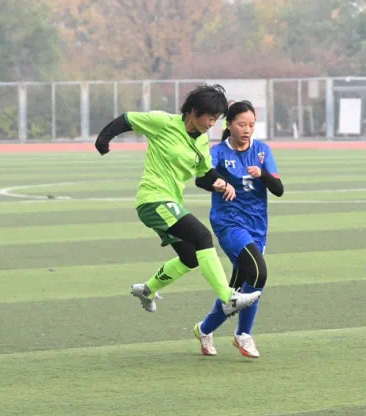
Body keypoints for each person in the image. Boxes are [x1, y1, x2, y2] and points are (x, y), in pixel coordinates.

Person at [94, 84, 262, 316]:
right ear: (194, 111)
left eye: (216, 120)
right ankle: (228, 297)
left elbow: (204, 175)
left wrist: (221, 182)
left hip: (171, 202)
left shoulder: (202, 141)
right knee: (203, 236)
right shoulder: (163, 122)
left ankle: (147, 289)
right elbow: (127, 119)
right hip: (153, 199)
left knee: (190, 257)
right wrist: (103, 140)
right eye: (210, 118)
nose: (212, 124)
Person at [193, 101, 283, 359]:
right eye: (242, 124)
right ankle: (244, 335)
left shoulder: (263, 151)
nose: (247, 129)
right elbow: (201, 177)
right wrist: (219, 183)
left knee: (236, 292)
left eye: (251, 125)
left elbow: (279, 189)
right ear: (229, 124)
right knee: (258, 273)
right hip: (229, 223)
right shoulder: (219, 152)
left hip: (257, 227)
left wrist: (263, 175)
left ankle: (204, 329)